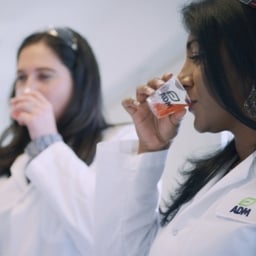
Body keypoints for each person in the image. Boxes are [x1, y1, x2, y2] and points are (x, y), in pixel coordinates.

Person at [94, 0, 256, 255]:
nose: (182, 78)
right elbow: (126, 250)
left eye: (198, 57)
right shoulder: (212, 175)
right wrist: (151, 147)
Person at [0, 26, 136, 256]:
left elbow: (113, 241)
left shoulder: (122, 142)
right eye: (22, 78)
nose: (26, 90)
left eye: (44, 76)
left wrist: (47, 142)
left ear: (80, 83)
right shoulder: (10, 158)